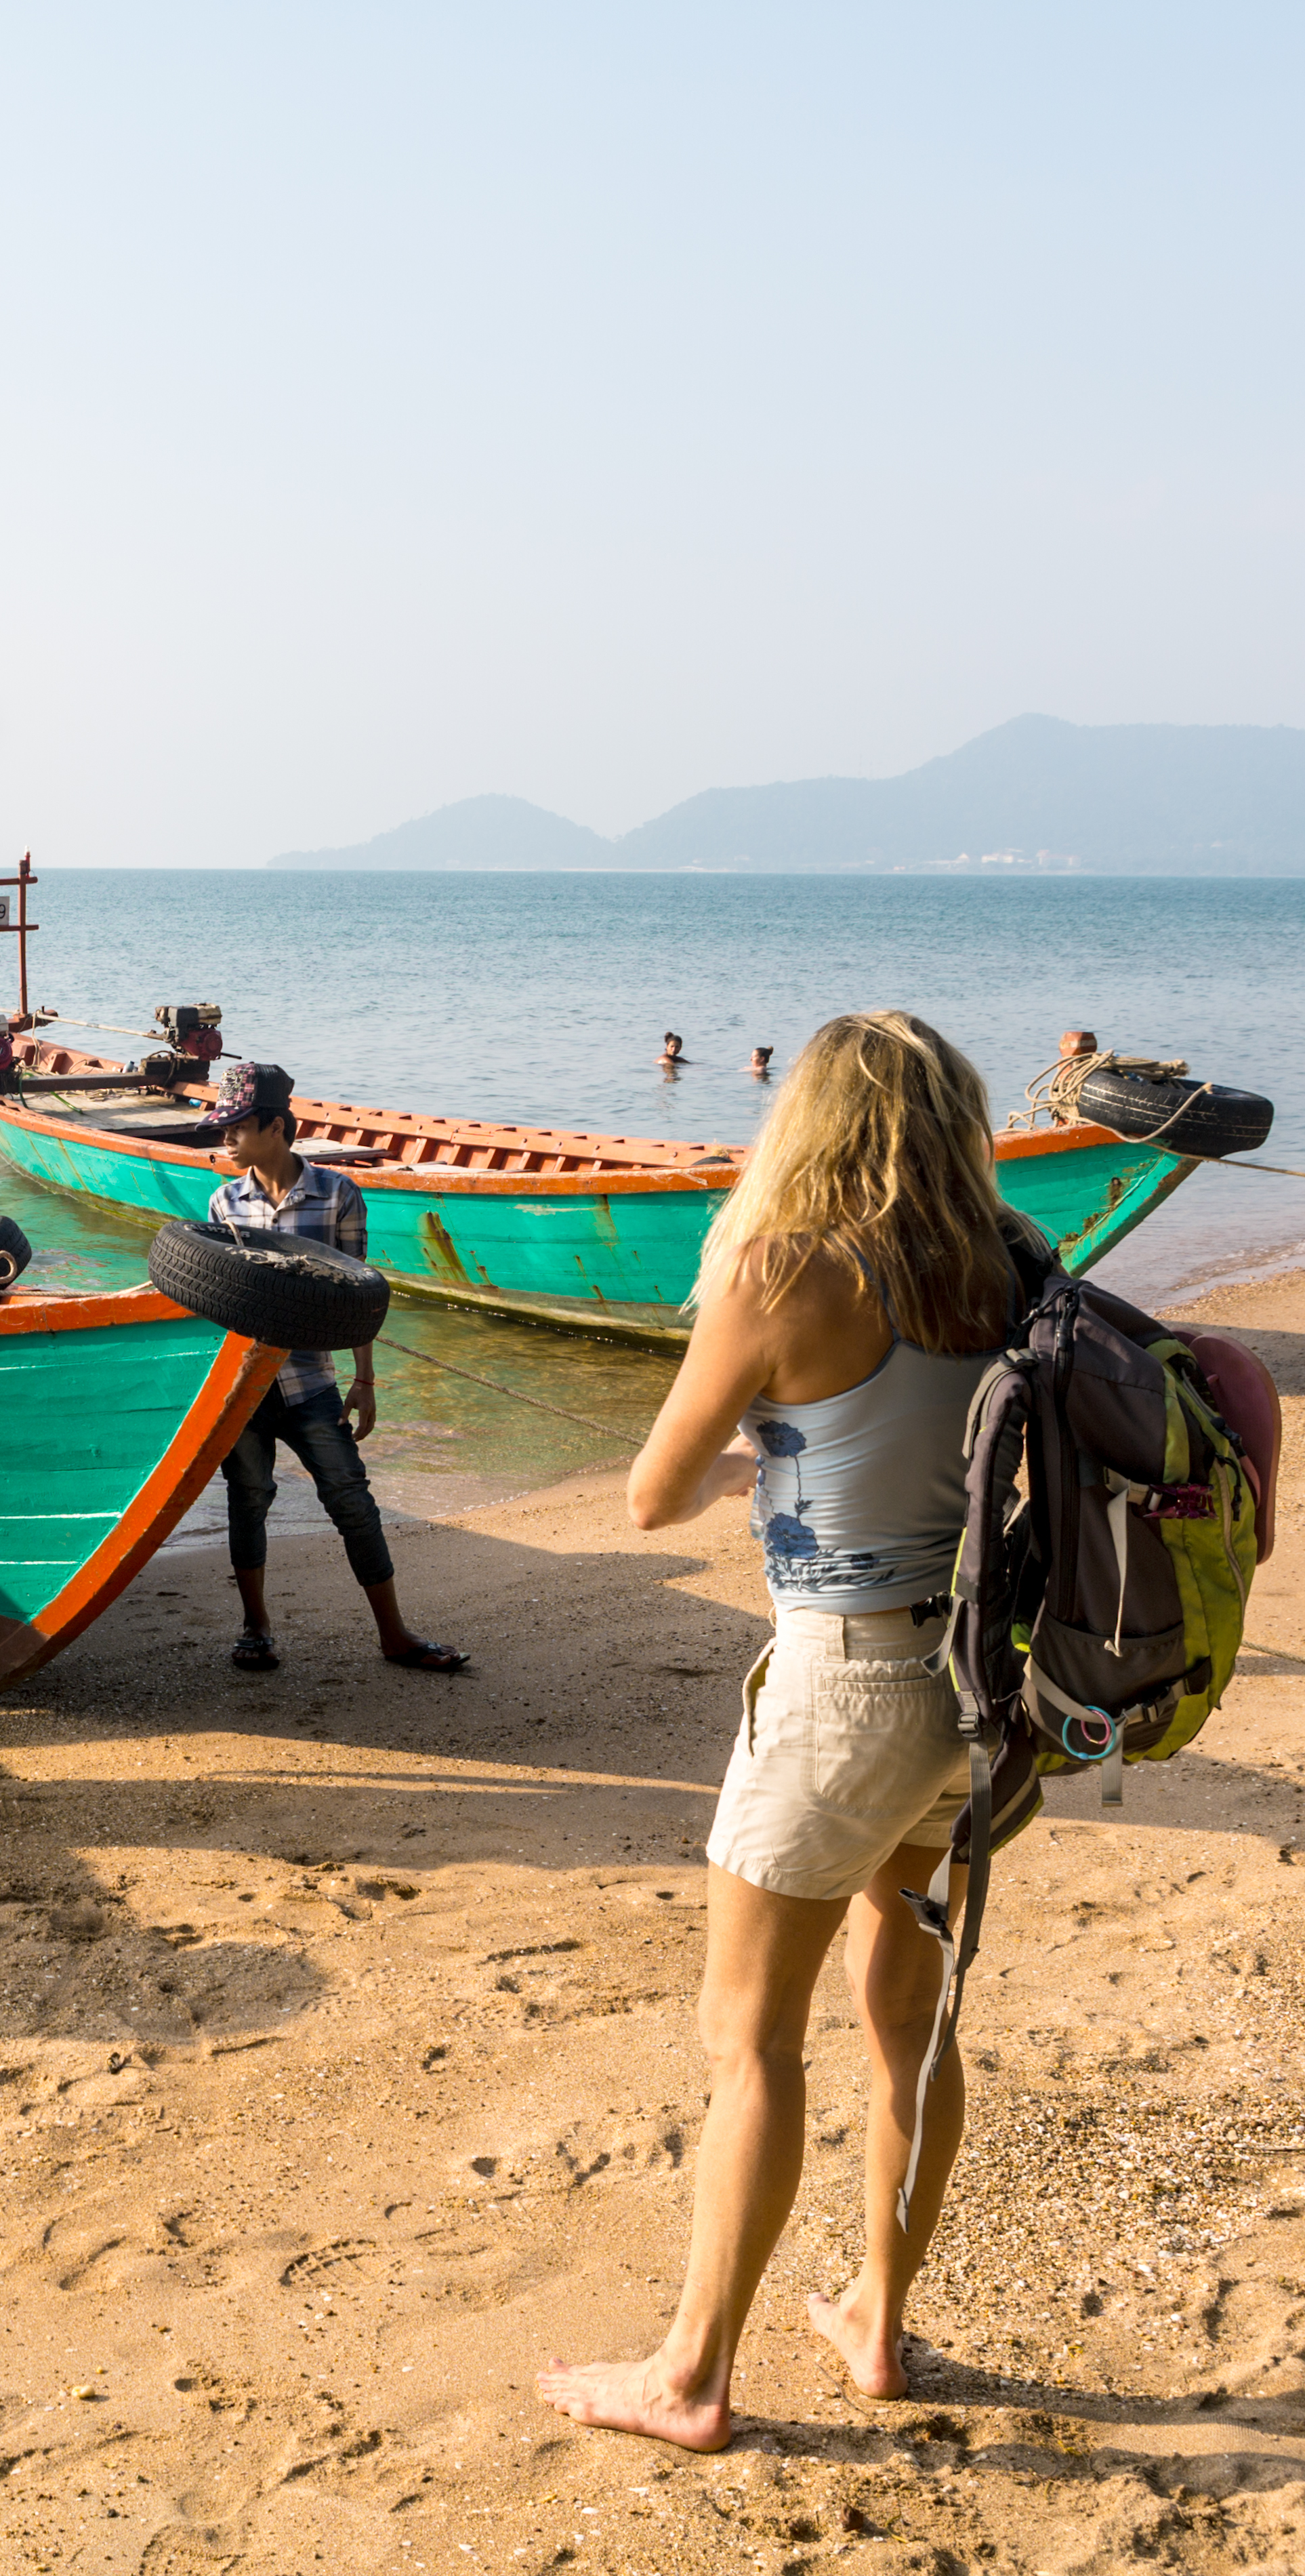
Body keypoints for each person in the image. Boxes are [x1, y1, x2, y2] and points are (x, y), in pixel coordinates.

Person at [539, 1010, 1032, 2451]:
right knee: (910, 2031)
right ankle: (877, 2321)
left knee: (749, 2040)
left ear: (806, 1118)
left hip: (844, 1687)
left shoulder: (777, 1265)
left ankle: (691, 2374)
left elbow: (651, 1493)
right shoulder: (1003, 1264)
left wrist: (759, 1438)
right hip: (976, 1696)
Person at [205, 1065, 467, 1675]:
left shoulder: (338, 1194)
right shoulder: (225, 1200)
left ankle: (394, 1634)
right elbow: (218, 1298)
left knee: (351, 1500)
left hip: (311, 1384)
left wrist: (365, 1378)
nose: (225, 1138)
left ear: (275, 1127)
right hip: (242, 1386)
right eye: (223, 1127)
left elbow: (359, 1296)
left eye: (237, 1126)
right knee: (249, 1499)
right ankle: (257, 1627)